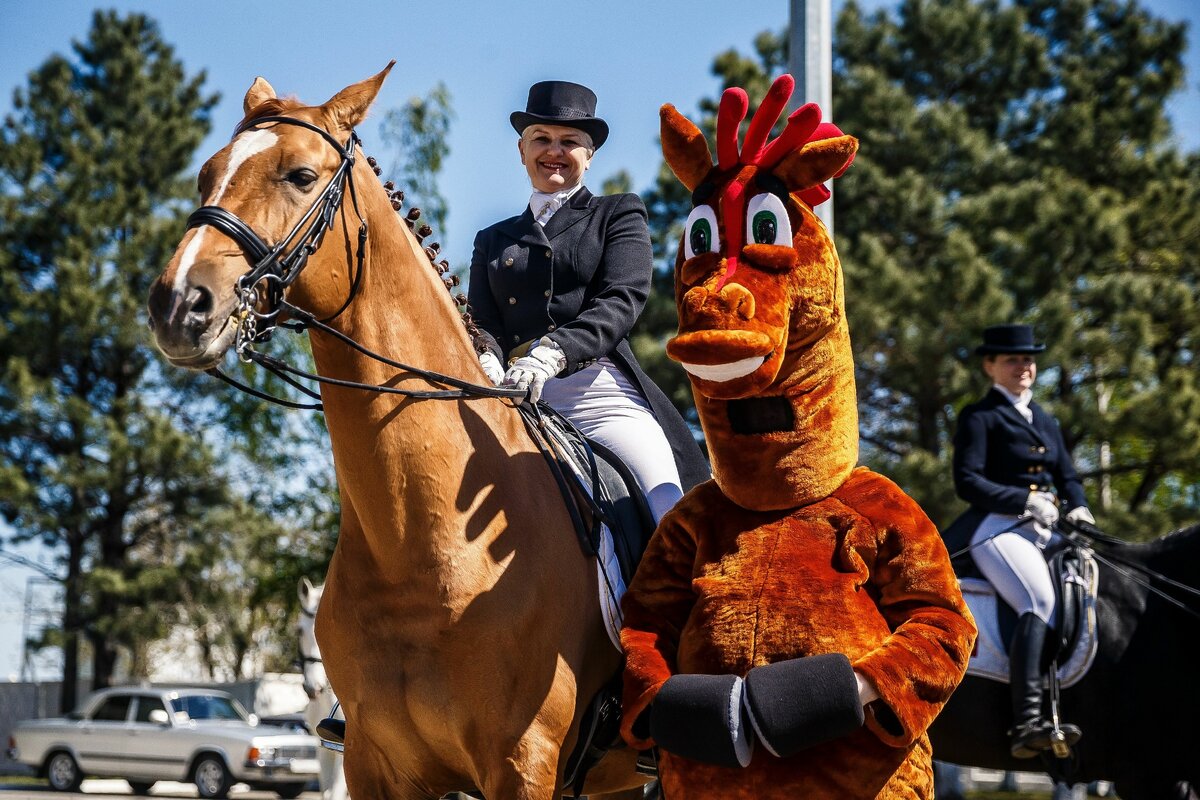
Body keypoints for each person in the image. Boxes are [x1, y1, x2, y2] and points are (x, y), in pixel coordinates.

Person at [467, 79, 710, 519]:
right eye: (541, 139)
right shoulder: (493, 238)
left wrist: (551, 354)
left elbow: (623, 298)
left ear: (589, 155)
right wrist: (485, 355)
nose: (553, 151)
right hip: (510, 397)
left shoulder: (617, 213)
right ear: (521, 150)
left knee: (669, 510)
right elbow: (480, 318)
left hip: (598, 397)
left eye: (569, 142)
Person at [945, 323, 1095, 759]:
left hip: (1046, 528)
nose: (1023, 367)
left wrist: (1080, 504)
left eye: (1029, 359)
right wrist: (1025, 499)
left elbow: (1067, 475)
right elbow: (967, 481)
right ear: (990, 366)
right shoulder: (980, 416)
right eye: (1012, 360)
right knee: (1039, 601)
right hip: (997, 526)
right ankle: (1026, 720)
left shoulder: (1045, 419)